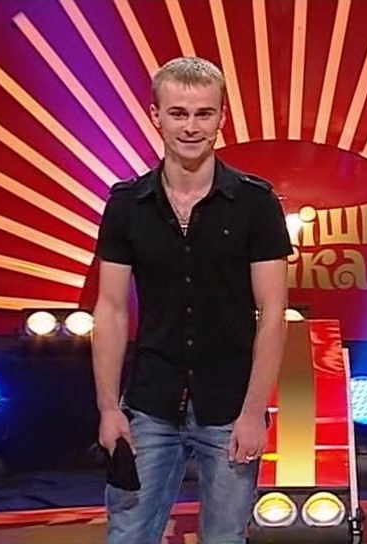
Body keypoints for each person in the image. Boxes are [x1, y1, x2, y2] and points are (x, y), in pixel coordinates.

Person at [92, 56, 292, 544]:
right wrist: (108, 409)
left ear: (221, 118)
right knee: (128, 534)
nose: (191, 127)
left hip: (229, 406)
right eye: (178, 113)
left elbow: (272, 315)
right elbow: (110, 310)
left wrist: (253, 412)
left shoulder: (255, 202)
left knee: (225, 537)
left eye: (204, 113)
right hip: (149, 403)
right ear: (156, 116)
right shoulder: (126, 204)